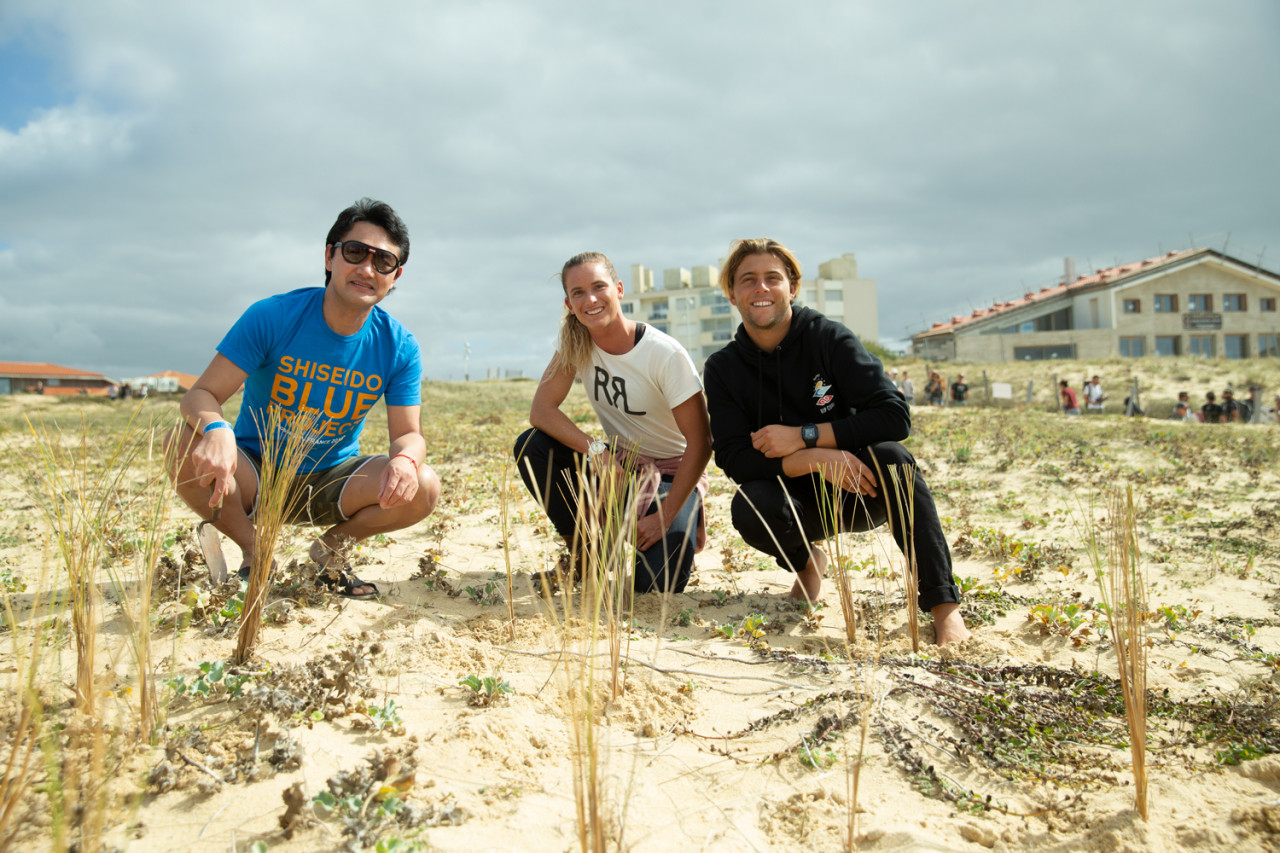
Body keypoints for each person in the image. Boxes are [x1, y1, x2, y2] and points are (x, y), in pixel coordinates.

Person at [166, 198, 440, 598]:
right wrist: (217, 429)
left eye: (383, 261)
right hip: (254, 475)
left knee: (424, 485)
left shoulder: (399, 345)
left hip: (332, 482)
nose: (367, 269)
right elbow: (200, 395)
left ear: (395, 275)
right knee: (180, 441)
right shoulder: (273, 316)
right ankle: (255, 552)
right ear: (330, 256)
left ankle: (331, 552)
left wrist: (404, 461)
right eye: (355, 252)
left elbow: (408, 436)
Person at [702, 238, 970, 646]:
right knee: (749, 504)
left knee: (894, 458)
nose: (761, 288)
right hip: (794, 504)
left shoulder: (828, 338)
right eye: (748, 280)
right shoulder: (723, 368)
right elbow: (733, 457)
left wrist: (805, 436)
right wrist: (815, 458)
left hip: (858, 488)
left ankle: (944, 606)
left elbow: (894, 415)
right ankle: (808, 564)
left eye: (773, 278)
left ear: (792, 287)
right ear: (732, 294)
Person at [513, 252, 711, 594]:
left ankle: (672, 528)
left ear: (618, 289)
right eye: (578, 293)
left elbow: (702, 442)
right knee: (532, 446)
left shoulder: (664, 353)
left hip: (671, 472)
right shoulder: (575, 342)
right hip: (619, 464)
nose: (590, 299)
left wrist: (664, 517)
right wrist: (597, 450)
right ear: (569, 304)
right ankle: (587, 553)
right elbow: (542, 410)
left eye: (598, 287)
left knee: (657, 585)